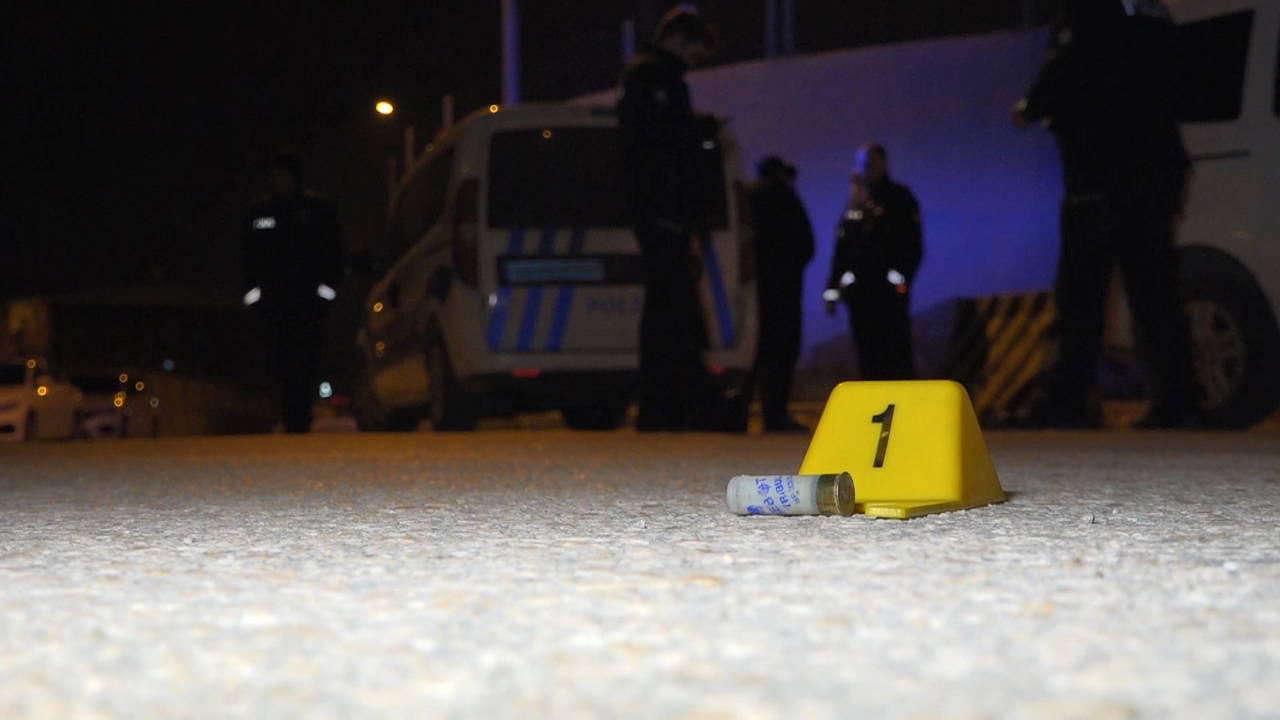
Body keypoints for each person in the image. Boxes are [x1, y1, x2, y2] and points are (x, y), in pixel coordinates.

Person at [1013, 0, 1198, 429]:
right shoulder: (1152, 12)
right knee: (1155, 294)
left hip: (1099, 177)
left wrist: (1030, 107)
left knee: (1081, 297)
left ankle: (1070, 401)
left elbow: (1063, 74)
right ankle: (1177, 400)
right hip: (1155, 170)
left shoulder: (1089, 12)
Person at [617, 8, 727, 431]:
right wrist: (698, 135)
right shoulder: (655, 78)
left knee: (670, 306)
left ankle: (668, 404)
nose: (693, 62)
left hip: (659, 212)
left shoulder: (647, 76)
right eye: (694, 52)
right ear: (679, 40)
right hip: (663, 212)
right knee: (672, 307)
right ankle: (672, 404)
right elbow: (662, 149)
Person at [241, 152, 344, 433]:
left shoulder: (317, 209)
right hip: (273, 301)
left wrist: (327, 291)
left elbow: (335, 252)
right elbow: (247, 256)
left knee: (307, 357)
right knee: (278, 358)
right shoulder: (260, 212)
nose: (281, 181)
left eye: (286, 175)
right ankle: (288, 413)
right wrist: (252, 294)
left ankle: (302, 414)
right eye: (277, 176)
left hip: (308, 301)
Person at [824, 143, 923, 380]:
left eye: (869, 163)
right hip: (860, 296)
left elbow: (912, 246)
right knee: (868, 360)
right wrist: (833, 291)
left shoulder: (899, 198)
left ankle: (903, 401)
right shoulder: (854, 203)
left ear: (883, 164)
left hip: (888, 296)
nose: (864, 169)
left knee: (896, 357)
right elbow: (842, 250)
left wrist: (900, 281)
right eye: (861, 164)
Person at [747, 155, 814, 432]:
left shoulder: (750, 198)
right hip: (784, 291)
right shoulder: (786, 198)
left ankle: (737, 413)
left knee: (754, 353)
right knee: (781, 353)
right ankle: (775, 415)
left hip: (755, 291)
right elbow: (806, 245)